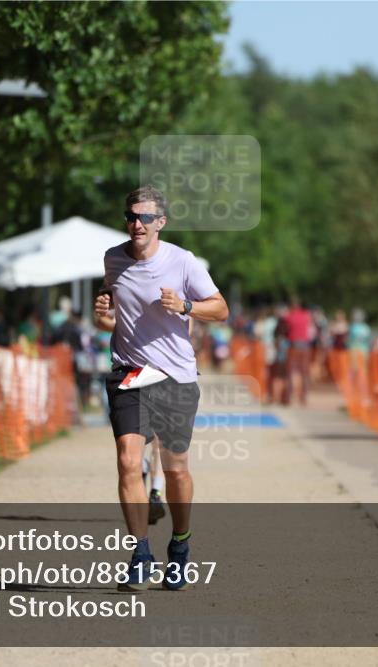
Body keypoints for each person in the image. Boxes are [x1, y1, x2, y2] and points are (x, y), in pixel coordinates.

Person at [94, 185, 229, 592]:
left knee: (175, 469)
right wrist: (103, 317)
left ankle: (181, 547)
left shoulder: (183, 262)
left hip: (175, 375)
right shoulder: (113, 259)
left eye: (146, 217)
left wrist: (186, 307)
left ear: (161, 223)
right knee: (127, 461)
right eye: (132, 216)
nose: (137, 223)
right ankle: (139, 555)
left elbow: (221, 309)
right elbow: (111, 321)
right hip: (130, 371)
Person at [284, 295, 313, 405]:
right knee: (304, 372)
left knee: (290, 371)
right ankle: (304, 397)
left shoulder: (290, 316)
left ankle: (289, 396)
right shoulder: (306, 315)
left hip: (294, 345)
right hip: (305, 345)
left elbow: (285, 329)